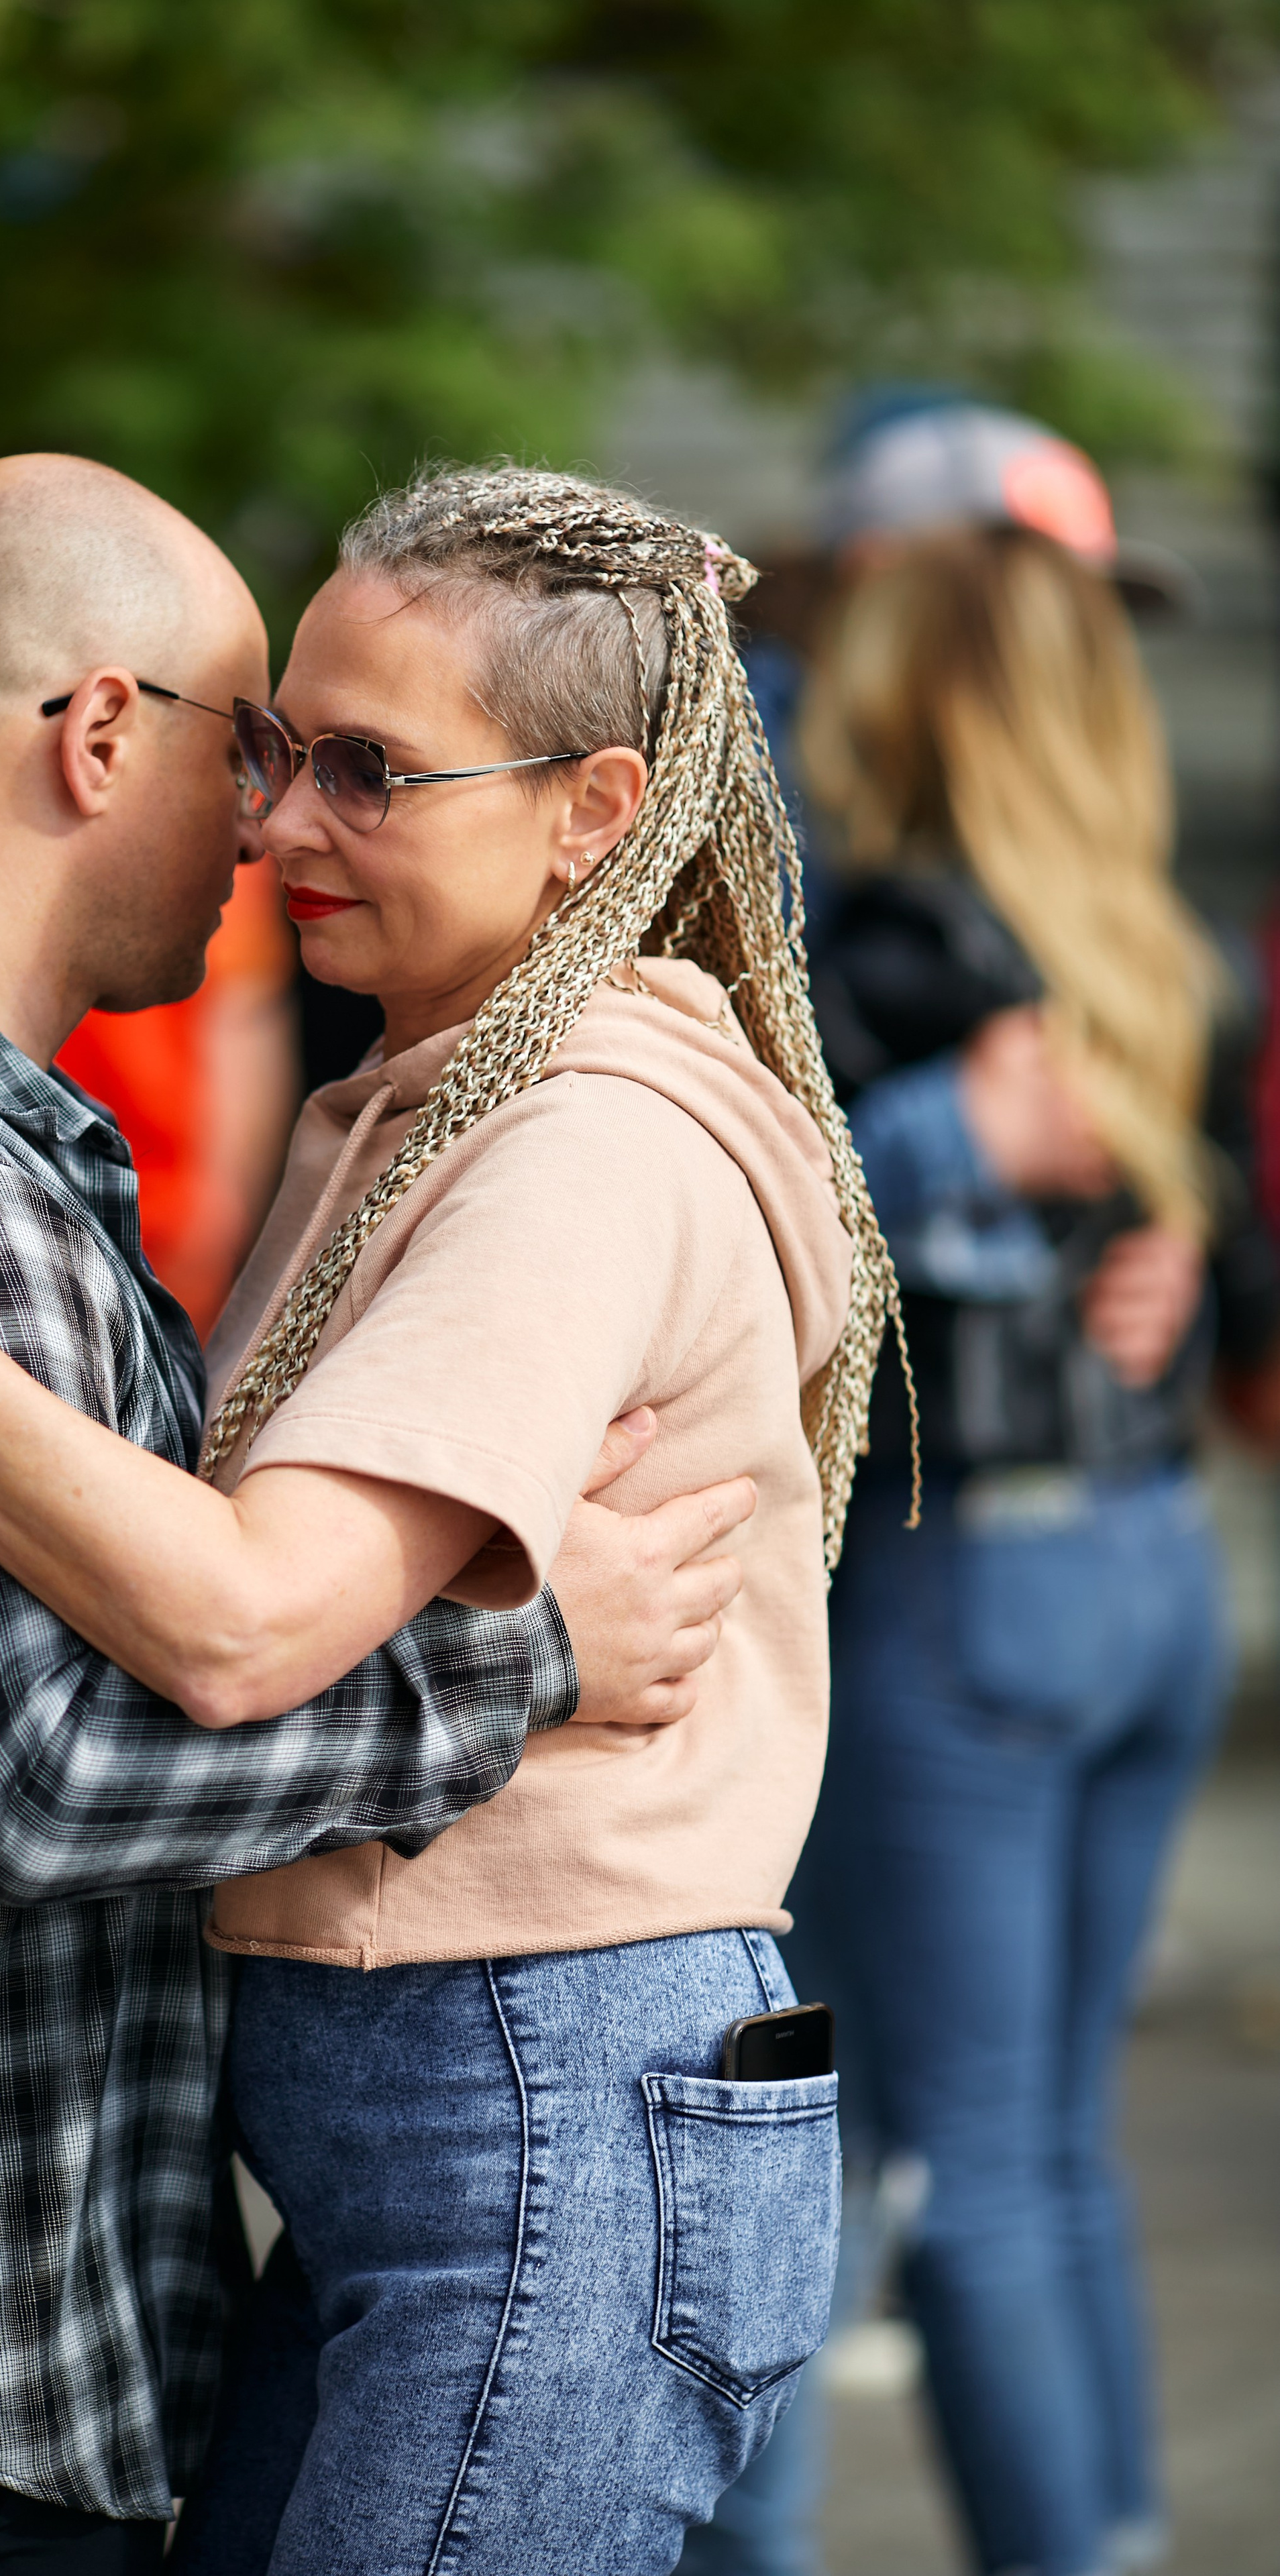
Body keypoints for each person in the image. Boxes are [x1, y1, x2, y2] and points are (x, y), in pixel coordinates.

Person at [0, 466, 901, 2576]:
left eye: (366, 770)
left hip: (528, 2107)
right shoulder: (416, 1093)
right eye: (280, 744)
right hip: (433, 2132)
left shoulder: (569, 1141)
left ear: (588, 809)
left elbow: (229, 1626)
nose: (278, 819)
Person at [784, 523, 1276, 2576]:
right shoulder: (1155, 952)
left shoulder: (888, 949)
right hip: (1148, 1566)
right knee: (1048, 2151)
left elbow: (772, 1261)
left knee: (956, 2169)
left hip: (973, 1585)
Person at [57, 854, 299, 1334]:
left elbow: (243, 1012)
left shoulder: (219, 832)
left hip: (166, 1218)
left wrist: (221, 1204)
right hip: (117, 1204)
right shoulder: (212, 820)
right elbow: (244, 1017)